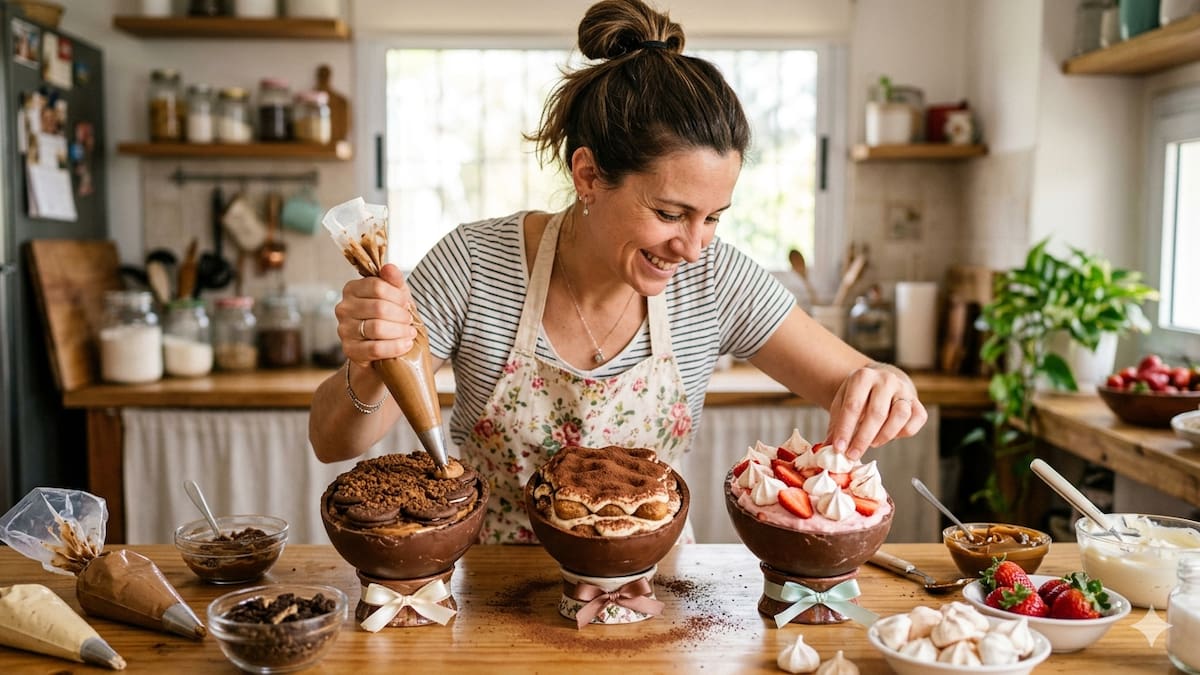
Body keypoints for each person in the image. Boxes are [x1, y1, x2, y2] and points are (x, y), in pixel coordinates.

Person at [309, 0, 928, 544]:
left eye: (713, 217)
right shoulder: (474, 266)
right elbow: (333, 444)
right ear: (588, 176)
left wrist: (886, 384)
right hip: (495, 603)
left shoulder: (716, 281)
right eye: (669, 213)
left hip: (651, 602)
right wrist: (369, 365)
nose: (692, 246)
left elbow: (856, 384)